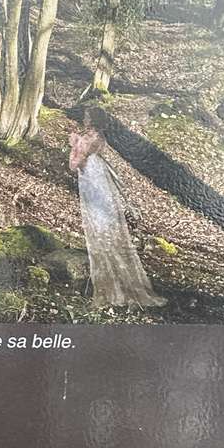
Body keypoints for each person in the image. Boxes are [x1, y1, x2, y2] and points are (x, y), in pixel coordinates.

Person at [68, 121, 162, 310]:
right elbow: (76, 164)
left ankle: (116, 289)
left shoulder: (94, 149)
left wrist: (76, 145)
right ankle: (114, 286)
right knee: (104, 242)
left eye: (88, 121)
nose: (85, 126)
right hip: (95, 193)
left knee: (105, 242)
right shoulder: (95, 152)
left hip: (98, 197)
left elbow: (77, 162)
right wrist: (77, 145)